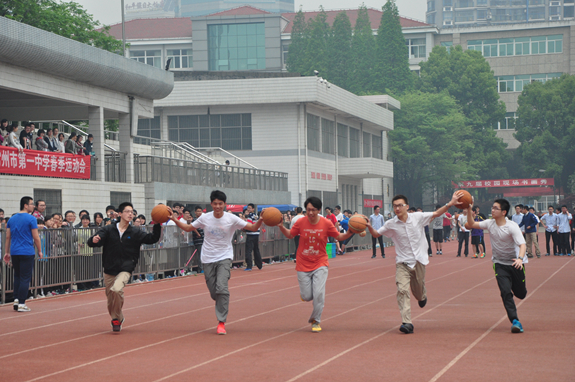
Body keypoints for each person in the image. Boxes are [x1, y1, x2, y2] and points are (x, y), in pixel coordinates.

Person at [366, 191, 463, 334]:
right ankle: (407, 322)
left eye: (400, 205)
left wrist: (450, 203)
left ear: (407, 206)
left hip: (418, 261)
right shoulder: (391, 224)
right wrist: (368, 226)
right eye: (394, 206)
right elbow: (376, 234)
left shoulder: (417, 217)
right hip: (402, 262)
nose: (397, 208)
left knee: (417, 292)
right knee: (402, 290)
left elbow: (436, 214)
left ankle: (422, 296)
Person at [168, 190, 263, 335]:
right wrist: (174, 219)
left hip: (225, 257)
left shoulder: (231, 218)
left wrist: (261, 219)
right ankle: (220, 301)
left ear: (224, 204)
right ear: (211, 204)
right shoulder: (205, 218)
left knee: (222, 288)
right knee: (215, 292)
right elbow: (188, 228)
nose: (218, 206)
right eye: (215, 203)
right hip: (207, 258)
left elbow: (253, 228)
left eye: (220, 204)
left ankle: (221, 322)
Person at [277, 196, 354, 333]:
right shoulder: (300, 222)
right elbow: (290, 234)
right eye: (308, 210)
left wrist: (350, 232)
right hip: (303, 262)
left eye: (313, 210)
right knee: (307, 296)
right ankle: (306, 295)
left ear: (319, 210)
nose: (310, 213)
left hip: (320, 262)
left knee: (319, 294)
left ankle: (315, 320)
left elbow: (339, 237)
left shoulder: (326, 223)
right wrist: (281, 226)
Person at [87, 202, 162, 332]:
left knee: (117, 289)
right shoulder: (109, 229)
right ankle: (117, 317)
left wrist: (157, 224)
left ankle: (116, 318)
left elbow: (152, 238)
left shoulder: (135, 232)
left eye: (132, 212)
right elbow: (94, 241)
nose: (130, 214)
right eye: (127, 211)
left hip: (126, 267)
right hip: (109, 267)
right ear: (120, 214)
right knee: (110, 297)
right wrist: (94, 240)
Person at [464, 199, 527, 333]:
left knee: (521, 294)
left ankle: (518, 291)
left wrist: (520, 259)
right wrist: (470, 210)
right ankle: (515, 320)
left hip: (515, 263)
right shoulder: (490, 223)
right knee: (505, 292)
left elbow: (522, 244)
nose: (492, 210)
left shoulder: (512, 226)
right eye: (492, 208)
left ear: (504, 212)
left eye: (495, 208)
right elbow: (470, 224)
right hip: (500, 264)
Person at [3, 196, 43, 312]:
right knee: (25, 278)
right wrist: (40, 250)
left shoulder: (12, 219)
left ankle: (16, 299)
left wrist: (7, 252)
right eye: (31, 204)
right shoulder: (31, 219)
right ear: (25, 205)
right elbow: (36, 237)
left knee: (17, 276)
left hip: (15, 251)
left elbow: (7, 237)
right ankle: (21, 303)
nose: (33, 206)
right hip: (27, 251)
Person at [244, 203, 263, 271]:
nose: (248, 209)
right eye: (248, 208)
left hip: (250, 234)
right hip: (256, 234)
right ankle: (259, 264)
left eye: (249, 208)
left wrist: (244, 229)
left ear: (253, 209)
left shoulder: (250, 216)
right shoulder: (256, 216)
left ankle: (249, 265)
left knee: (248, 250)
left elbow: (249, 225)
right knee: (256, 250)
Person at [191, 206, 205, 273]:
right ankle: (201, 268)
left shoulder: (202, 220)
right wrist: (198, 234)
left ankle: (203, 268)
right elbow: (192, 227)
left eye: (200, 211)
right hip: (198, 240)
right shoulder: (194, 220)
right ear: (195, 212)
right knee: (200, 254)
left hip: (204, 240)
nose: (199, 212)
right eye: (198, 211)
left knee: (203, 254)